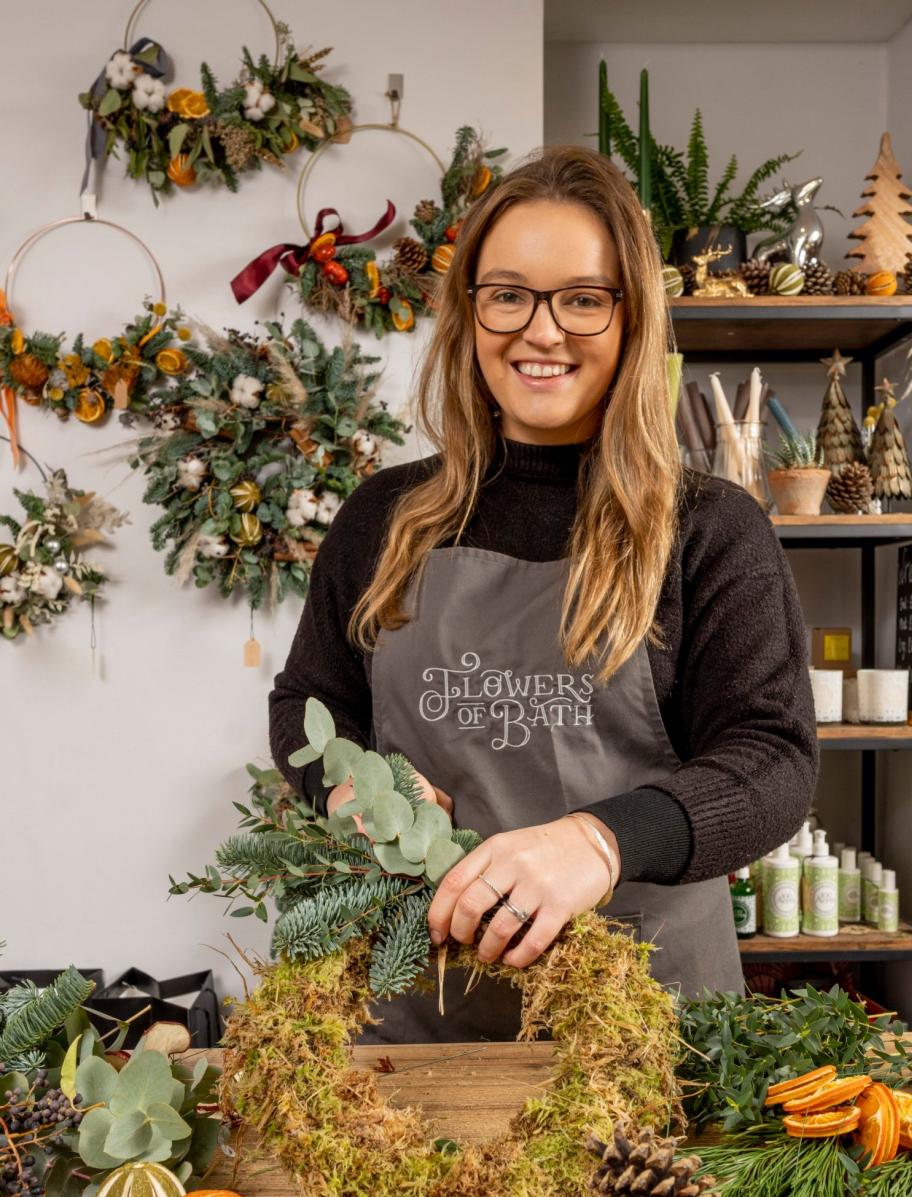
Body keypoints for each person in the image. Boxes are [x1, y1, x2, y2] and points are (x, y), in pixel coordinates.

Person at [269, 144, 817, 1041]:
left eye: (583, 299)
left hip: (640, 1012)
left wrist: (598, 842)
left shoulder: (709, 531)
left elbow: (775, 760)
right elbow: (310, 700)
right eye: (509, 293)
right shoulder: (383, 516)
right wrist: (350, 785)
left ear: (630, 318)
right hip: (417, 1014)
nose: (542, 330)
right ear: (471, 312)